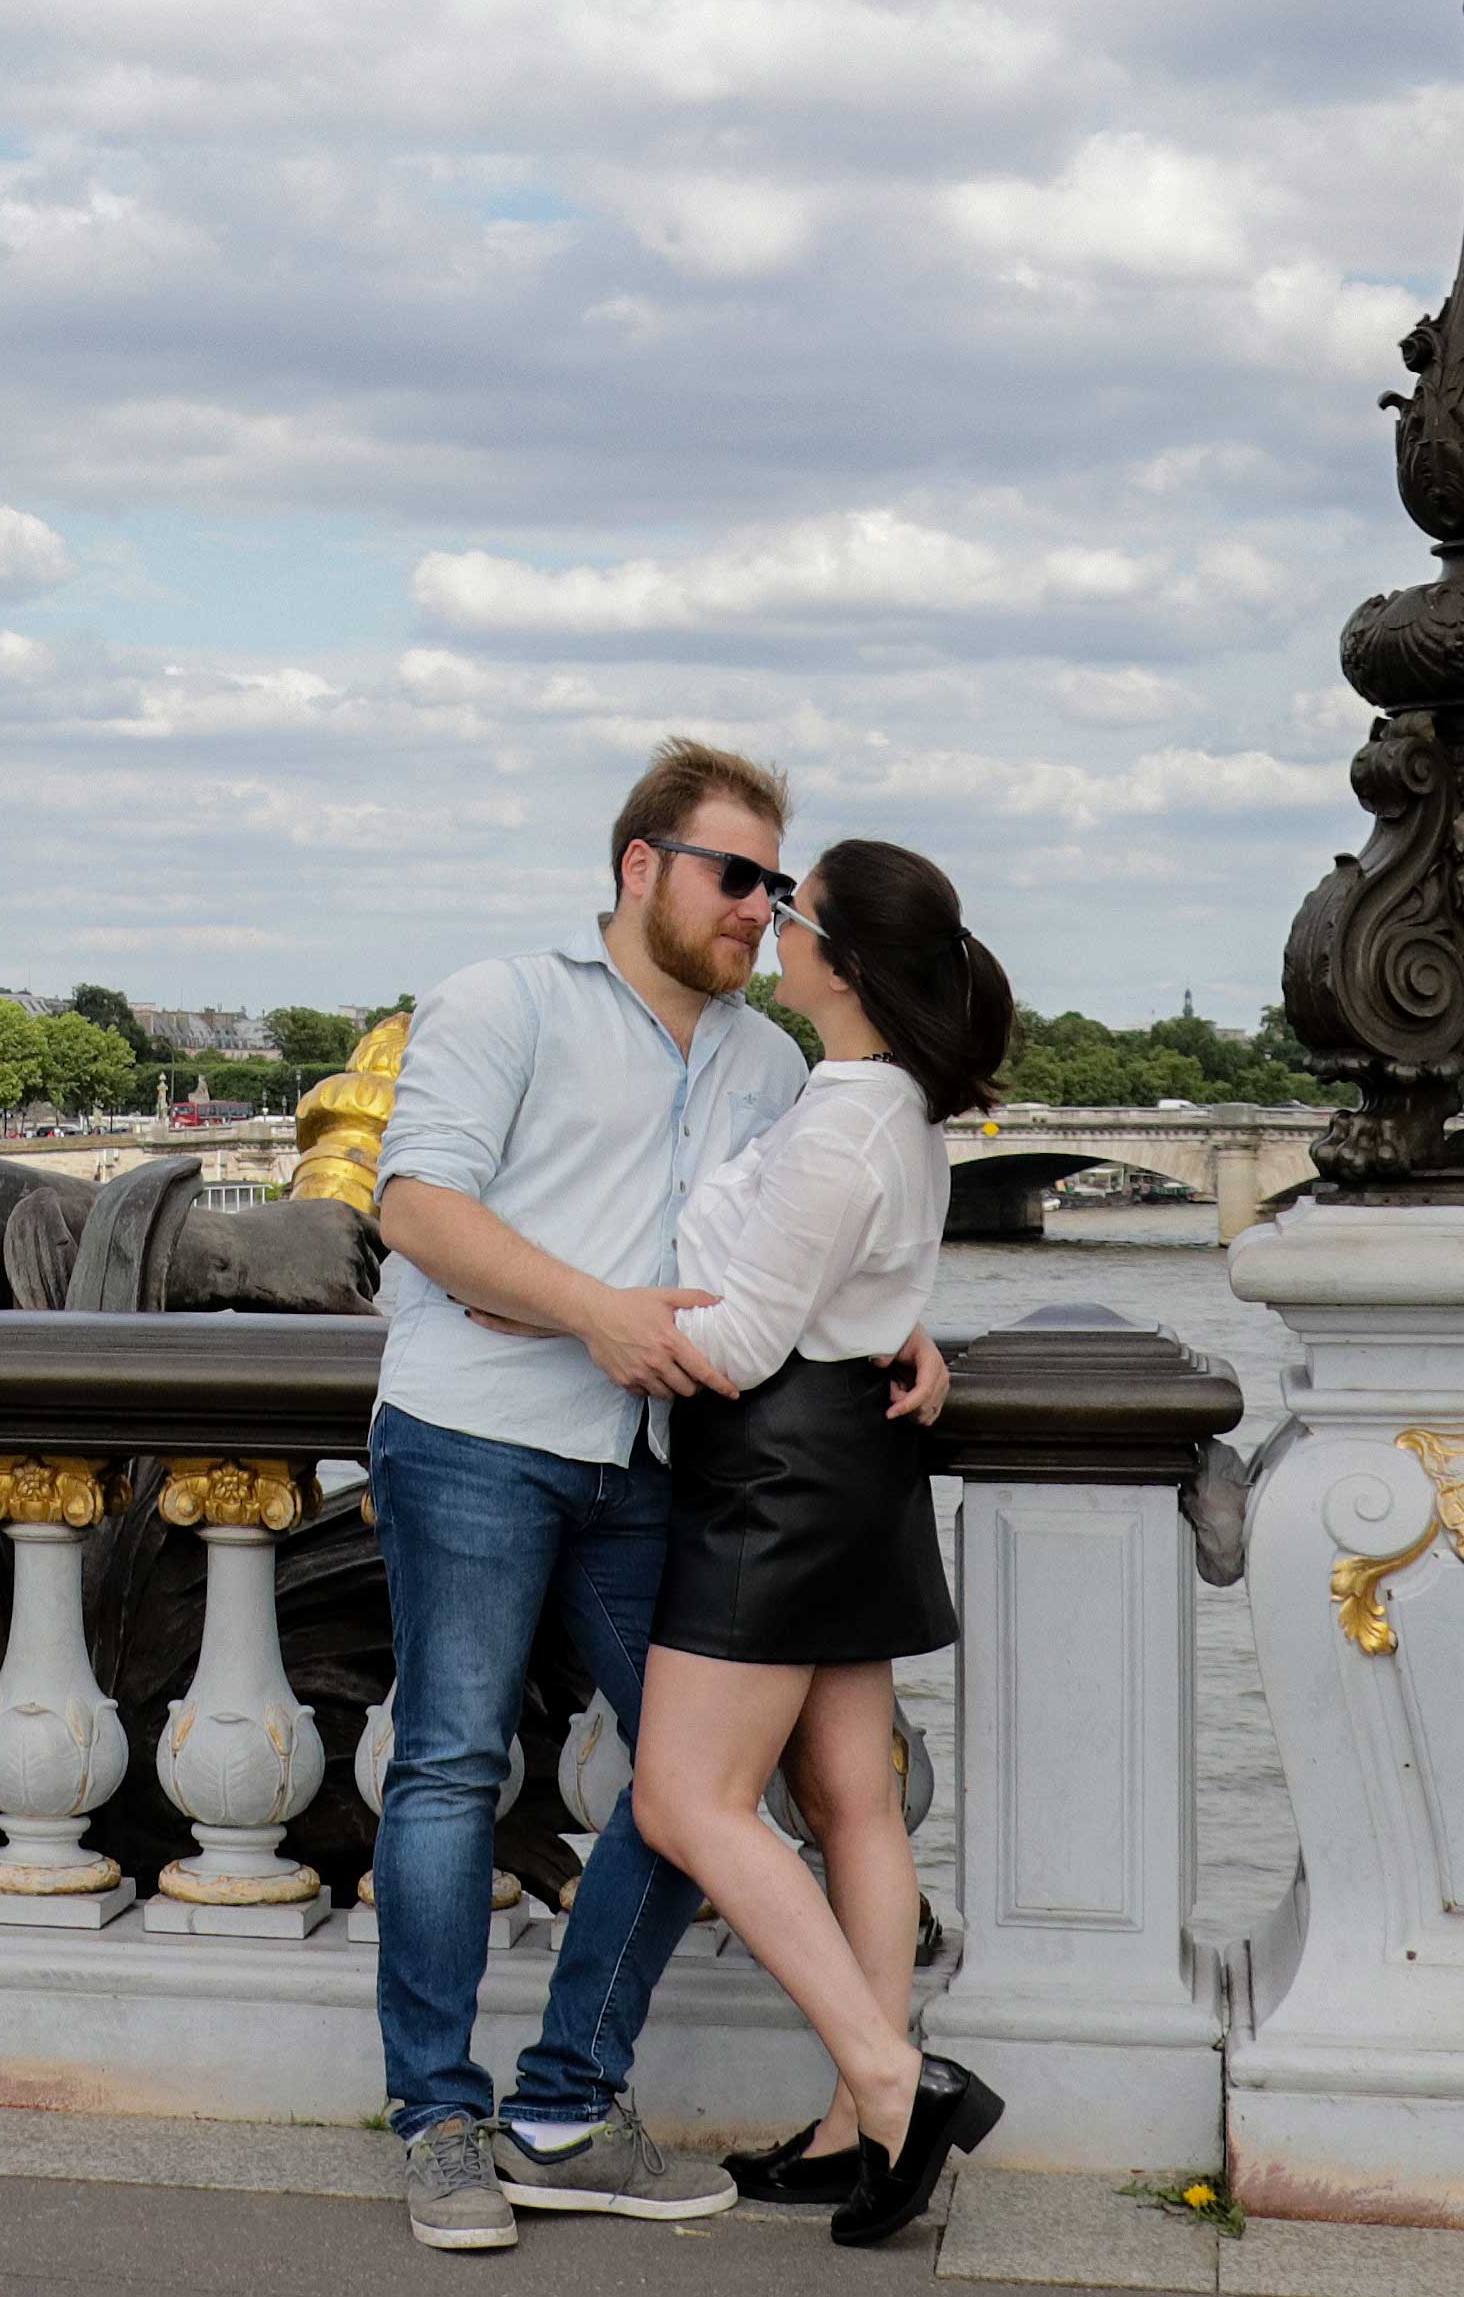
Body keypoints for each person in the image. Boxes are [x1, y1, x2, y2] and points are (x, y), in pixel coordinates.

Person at [365, 739, 818, 2254]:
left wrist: (900, 1329)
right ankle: (436, 2120)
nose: (759, 909)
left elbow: (790, 1253)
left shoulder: (769, 1063)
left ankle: (562, 2105)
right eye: (736, 875)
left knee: (697, 1782)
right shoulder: (505, 1000)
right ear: (641, 866)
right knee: (450, 1768)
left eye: (777, 887)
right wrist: (591, 1313)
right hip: (474, 1432)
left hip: (653, 1460)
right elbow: (416, 1206)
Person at [622, 839, 1017, 2250]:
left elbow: (735, 1344)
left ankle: (893, 2081)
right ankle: (860, 2127)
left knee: (685, 1799)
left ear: (840, 964)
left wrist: (562, 1308)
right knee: (852, 1798)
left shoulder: (844, 1123)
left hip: (773, 1473)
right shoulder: (884, 1106)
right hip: (850, 1458)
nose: (773, 926)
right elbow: (848, 1288)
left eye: (793, 912)